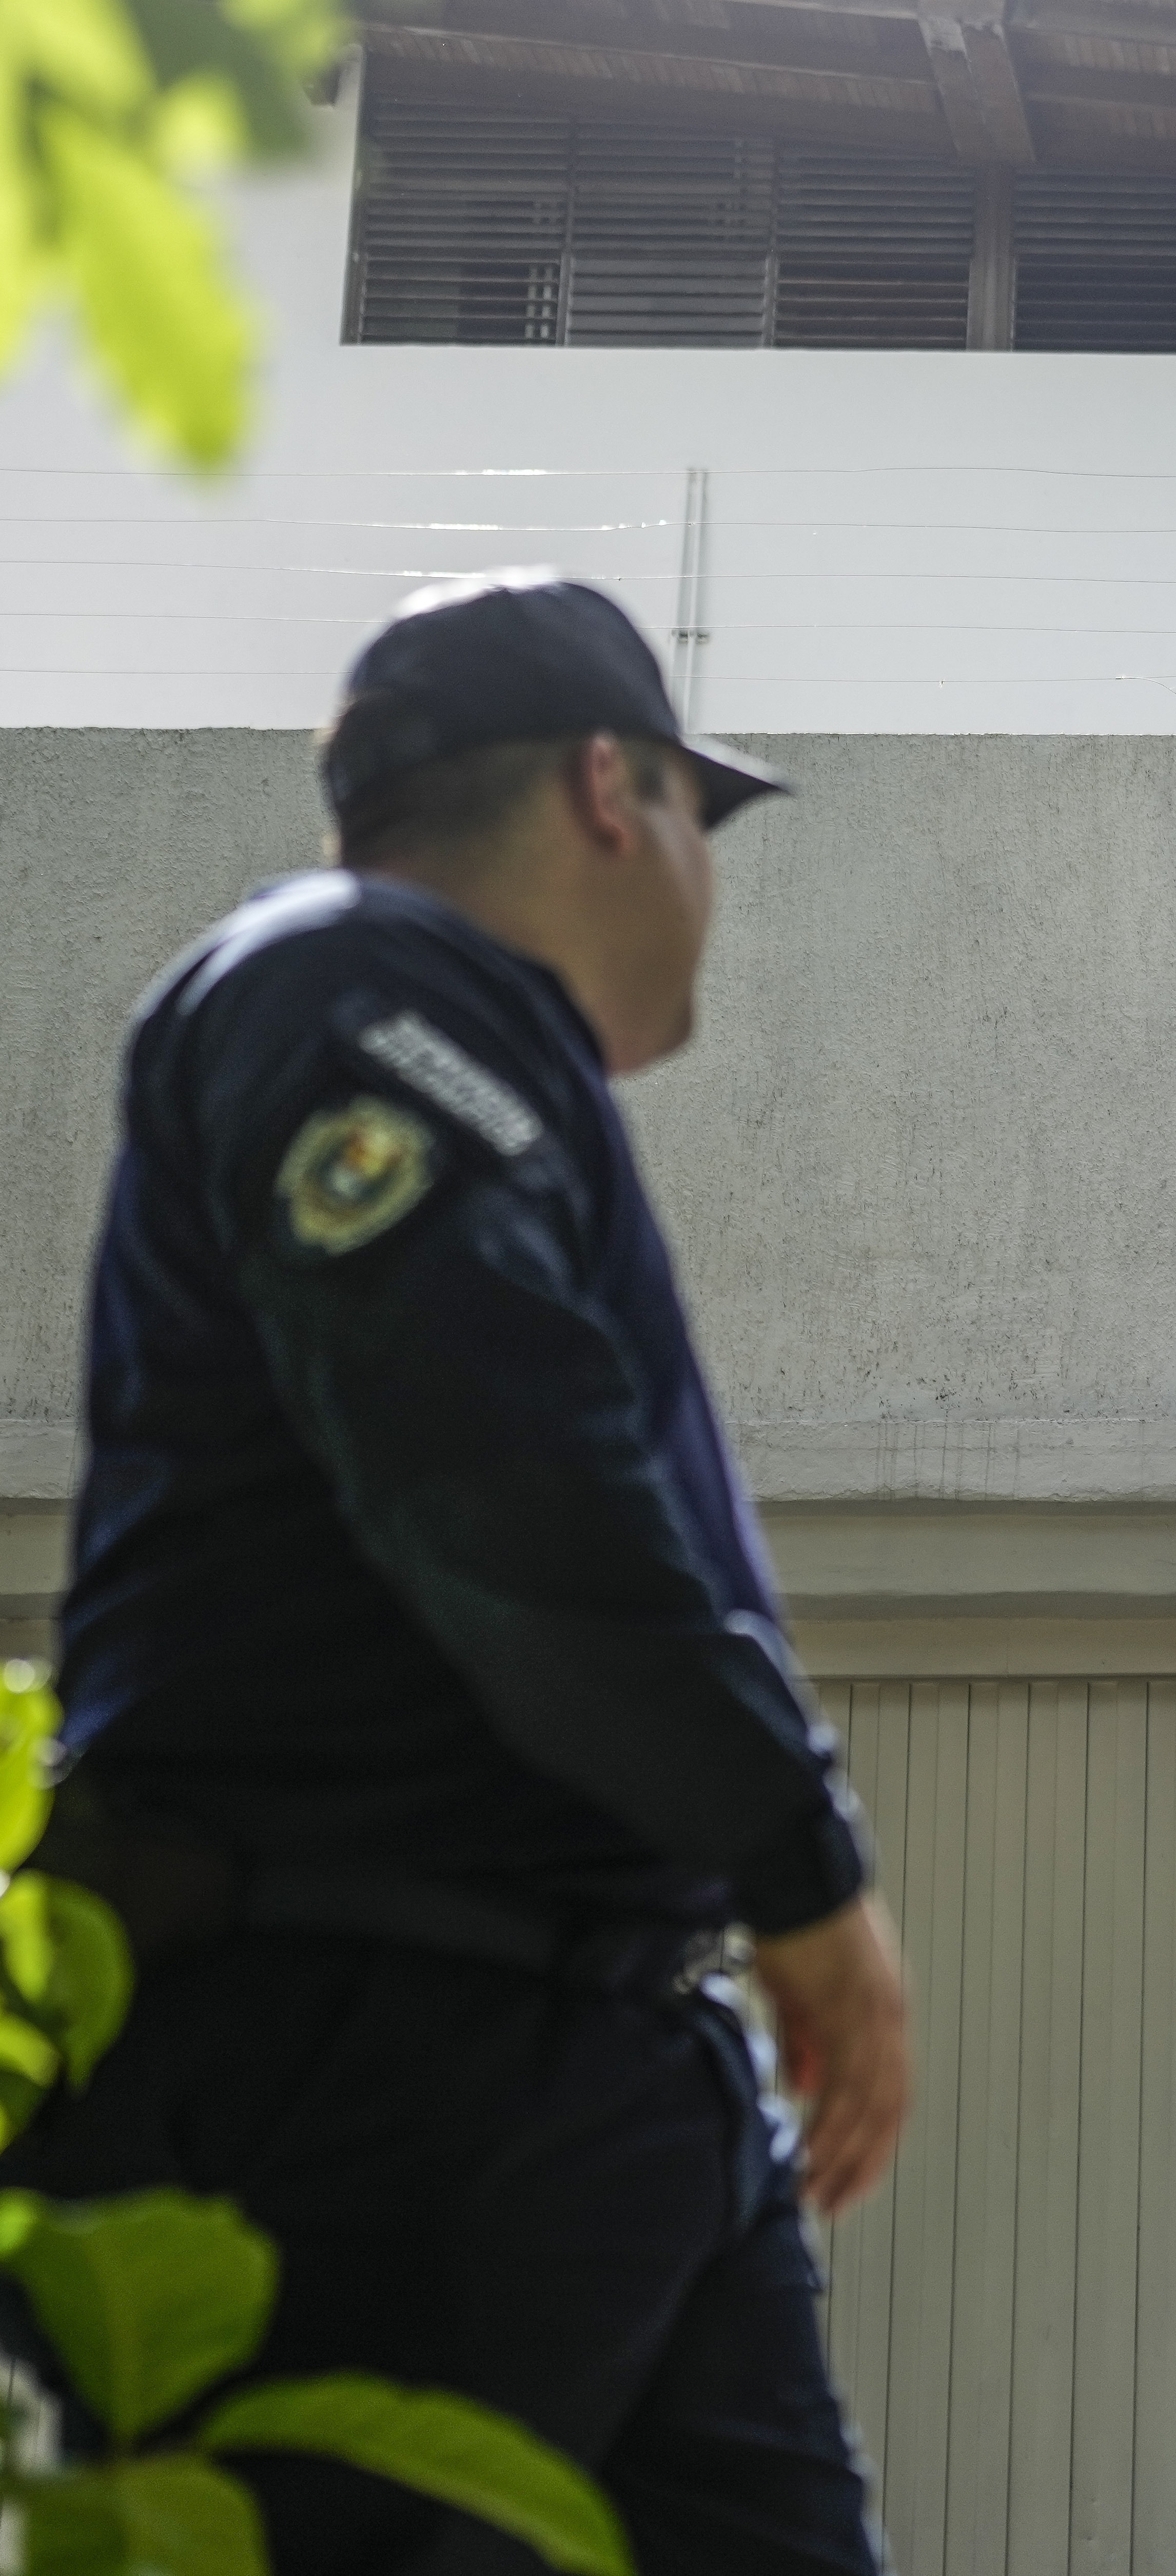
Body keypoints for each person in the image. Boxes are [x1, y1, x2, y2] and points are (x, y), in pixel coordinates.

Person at [20, 572, 912, 2574]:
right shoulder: (350, 980)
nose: (711, 883)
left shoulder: (471, 1052)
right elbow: (491, 1460)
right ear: (615, 786)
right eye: (704, 815)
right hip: (360, 2055)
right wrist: (801, 1863)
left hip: (603, 2063)